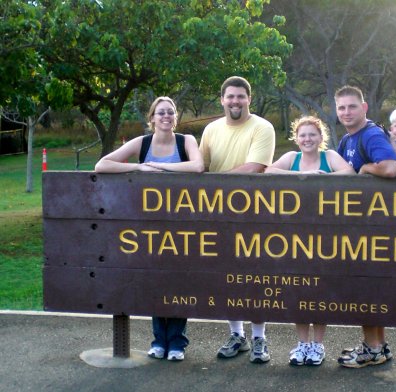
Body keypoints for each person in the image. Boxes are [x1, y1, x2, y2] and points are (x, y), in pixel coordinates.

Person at [95, 96, 204, 361]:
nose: (166, 116)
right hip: (149, 225)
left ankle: (177, 343)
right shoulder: (142, 143)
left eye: (170, 112)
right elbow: (102, 165)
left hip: (181, 225)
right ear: (152, 118)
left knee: (178, 281)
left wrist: (157, 167)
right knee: (155, 281)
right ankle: (159, 341)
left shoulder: (185, 141)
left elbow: (198, 166)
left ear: (175, 117)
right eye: (160, 113)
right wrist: (139, 166)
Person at [265, 115, 354, 366]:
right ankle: (302, 343)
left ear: (320, 137)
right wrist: (299, 178)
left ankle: (318, 345)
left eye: (312, 135)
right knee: (298, 290)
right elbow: (268, 171)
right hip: (294, 236)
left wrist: (320, 177)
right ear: (297, 138)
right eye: (302, 135)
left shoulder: (330, 158)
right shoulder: (292, 159)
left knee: (320, 290)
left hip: (325, 235)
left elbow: (349, 173)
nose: (307, 139)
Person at [198, 76, 275, 364]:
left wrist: (216, 181)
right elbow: (201, 166)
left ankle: (259, 339)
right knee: (226, 277)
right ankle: (237, 335)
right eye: (230, 96)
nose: (235, 101)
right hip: (218, 214)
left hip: (254, 214)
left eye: (240, 97)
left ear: (249, 99)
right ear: (222, 99)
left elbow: (255, 167)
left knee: (254, 278)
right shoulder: (211, 130)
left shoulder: (262, 127)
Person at [334, 85, 396, 368]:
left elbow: (390, 168)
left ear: (364, 107)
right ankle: (377, 346)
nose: (346, 112)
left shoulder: (370, 134)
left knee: (365, 289)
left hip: (372, 226)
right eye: (341, 108)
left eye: (351, 106)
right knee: (369, 289)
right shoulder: (348, 139)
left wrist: (366, 169)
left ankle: (372, 349)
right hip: (357, 226)